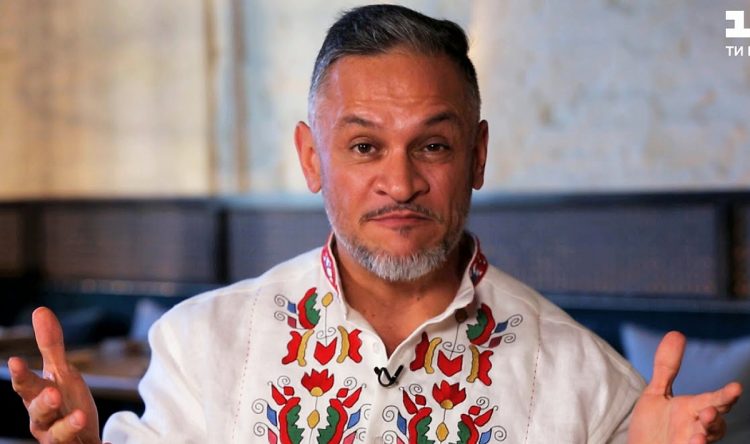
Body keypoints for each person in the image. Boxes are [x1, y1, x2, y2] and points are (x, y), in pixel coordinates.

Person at [8, 4, 742, 443]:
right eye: (364, 147)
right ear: (311, 158)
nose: (401, 182)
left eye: (433, 145)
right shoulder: (203, 348)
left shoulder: (590, 385)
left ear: (477, 156)